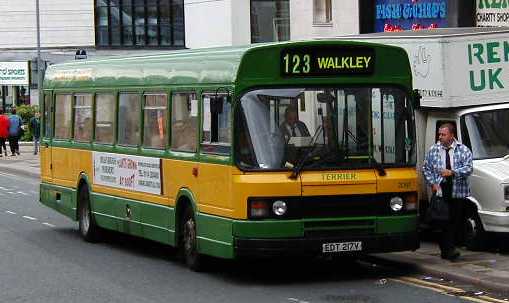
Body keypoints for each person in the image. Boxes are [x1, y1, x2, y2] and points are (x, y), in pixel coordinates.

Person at [423, 122, 473, 261]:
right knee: (442, 221)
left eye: (443, 134)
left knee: (454, 221)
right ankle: (449, 250)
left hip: (458, 190)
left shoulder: (463, 150)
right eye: (439, 134)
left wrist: (452, 172)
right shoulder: (434, 150)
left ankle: (447, 250)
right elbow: (426, 168)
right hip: (441, 190)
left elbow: (469, 168)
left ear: (452, 135)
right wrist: (432, 183)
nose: (440, 137)